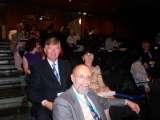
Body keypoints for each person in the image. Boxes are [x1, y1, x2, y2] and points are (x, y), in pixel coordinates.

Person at [53, 64, 140, 120]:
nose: (86, 81)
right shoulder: (62, 102)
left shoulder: (90, 92)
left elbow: (105, 101)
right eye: (81, 77)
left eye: (88, 77)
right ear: (72, 78)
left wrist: (127, 101)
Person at [29, 36, 72, 120]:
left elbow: (71, 84)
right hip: (47, 104)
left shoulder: (66, 64)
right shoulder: (37, 67)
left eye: (56, 48)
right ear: (45, 50)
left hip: (65, 101)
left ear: (60, 50)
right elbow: (32, 92)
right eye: (50, 48)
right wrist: (46, 103)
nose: (53, 51)